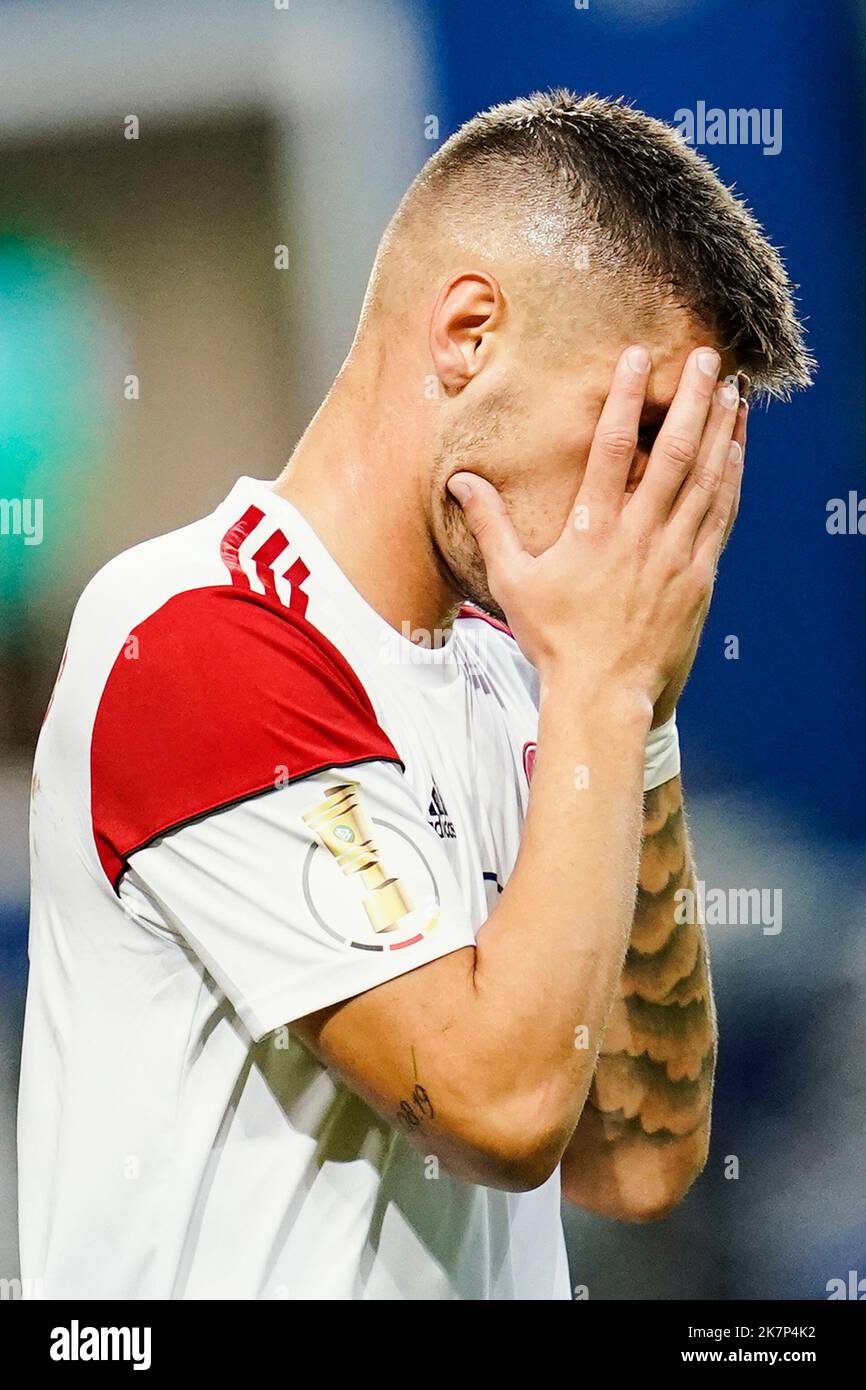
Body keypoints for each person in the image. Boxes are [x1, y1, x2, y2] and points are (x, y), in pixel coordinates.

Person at [18, 90, 811, 1300]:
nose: (654, 506)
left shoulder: (519, 674)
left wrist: (639, 723)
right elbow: (496, 1106)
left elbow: (635, 1157)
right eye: (638, 428)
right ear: (467, 333)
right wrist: (604, 684)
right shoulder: (191, 635)